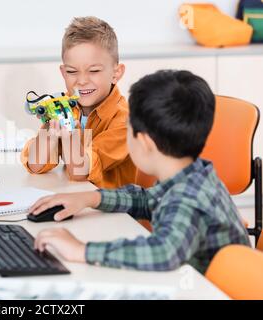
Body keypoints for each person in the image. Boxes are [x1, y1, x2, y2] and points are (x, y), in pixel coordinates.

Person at [30, 70, 250, 274]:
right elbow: (146, 200)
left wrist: (80, 250)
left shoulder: (186, 199)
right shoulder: (193, 175)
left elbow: (163, 253)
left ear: (143, 142)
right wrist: (91, 197)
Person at [21, 16, 136, 188]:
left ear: (116, 73)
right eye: (72, 71)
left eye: (94, 70)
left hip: (113, 210)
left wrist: (69, 135)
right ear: (63, 73)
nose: (81, 81)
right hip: (76, 198)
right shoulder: (66, 107)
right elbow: (36, 166)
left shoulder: (124, 120)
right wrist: (49, 135)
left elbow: (80, 171)